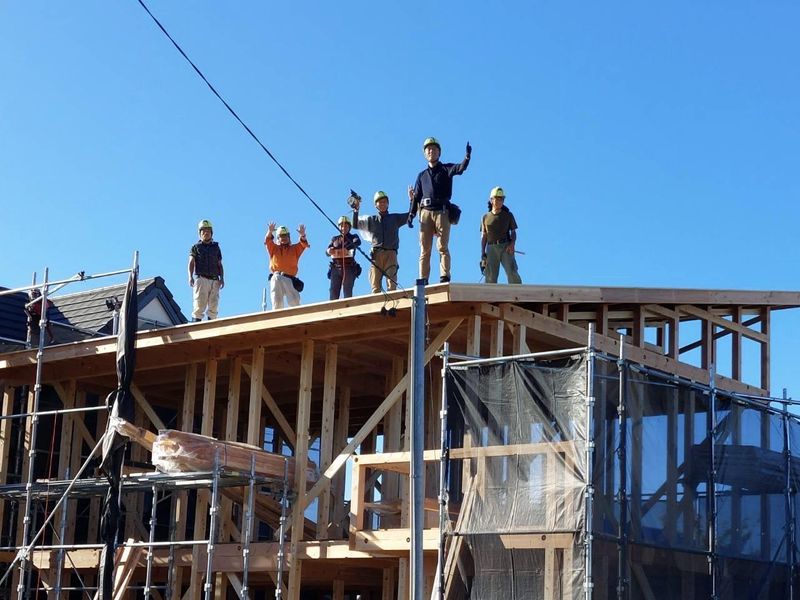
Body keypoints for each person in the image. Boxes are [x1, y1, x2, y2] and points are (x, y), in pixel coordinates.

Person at [408, 137, 471, 283]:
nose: (431, 151)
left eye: (434, 149)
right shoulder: (422, 175)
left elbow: (460, 168)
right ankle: (423, 279)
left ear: (439, 152)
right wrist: (411, 214)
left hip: (442, 212)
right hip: (425, 213)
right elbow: (416, 197)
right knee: (424, 249)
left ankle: (444, 276)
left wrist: (467, 157)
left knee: (442, 246)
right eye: (428, 149)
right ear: (425, 153)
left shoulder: (446, 169)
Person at [352, 191, 408, 293]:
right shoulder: (372, 220)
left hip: (391, 254)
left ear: (388, 204)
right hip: (376, 254)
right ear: (375, 205)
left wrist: (413, 200)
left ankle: (392, 302)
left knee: (392, 284)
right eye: (380, 202)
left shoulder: (395, 218)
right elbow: (355, 225)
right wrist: (356, 210)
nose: (382, 204)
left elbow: (410, 215)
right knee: (375, 286)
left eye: (384, 202)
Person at [480, 187, 522, 284]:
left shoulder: (508, 215)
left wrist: (512, 244)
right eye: (497, 198)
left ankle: (517, 291)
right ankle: (489, 294)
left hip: (506, 247)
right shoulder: (485, 217)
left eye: (502, 199)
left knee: (512, 272)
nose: (500, 201)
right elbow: (484, 236)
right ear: (491, 200)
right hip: (491, 248)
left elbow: (513, 232)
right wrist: (483, 253)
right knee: (490, 276)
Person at [265, 222, 309, 309]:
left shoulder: (294, 249)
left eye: (286, 236)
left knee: (294, 302)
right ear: (278, 238)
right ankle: (277, 313)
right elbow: (268, 241)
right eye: (282, 236)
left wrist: (303, 235)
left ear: (289, 237)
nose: (284, 238)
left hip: (289, 279)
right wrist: (270, 231)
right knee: (276, 296)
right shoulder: (274, 248)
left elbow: (303, 244)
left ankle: (297, 313)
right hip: (277, 277)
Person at [188, 219, 224, 321]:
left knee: (214, 306)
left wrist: (222, 278)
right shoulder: (196, 247)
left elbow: (220, 264)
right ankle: (196, 325)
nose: (206, 233)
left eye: (208, 231)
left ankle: (211, 325)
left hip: (214, 279)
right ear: (200, 233)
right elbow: (191, 262)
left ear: (211, 233)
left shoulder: (216, 247)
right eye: (203, 231)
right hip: (201, 278)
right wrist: (190, 277)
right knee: (199, 305)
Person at [326, 216, 362, 300]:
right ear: (338, 227)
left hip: (349, 267)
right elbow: (327, 251)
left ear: (349, 227)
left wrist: (347, 248)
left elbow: (357, 242)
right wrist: (329, 251)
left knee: (347, 291)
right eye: (341, 226)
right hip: (336, 268)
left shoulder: (353, 237)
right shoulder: (335, 239)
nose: (343, 228)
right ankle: (333, 307)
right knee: (333, 291)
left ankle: (348, 306)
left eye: (346, 226)